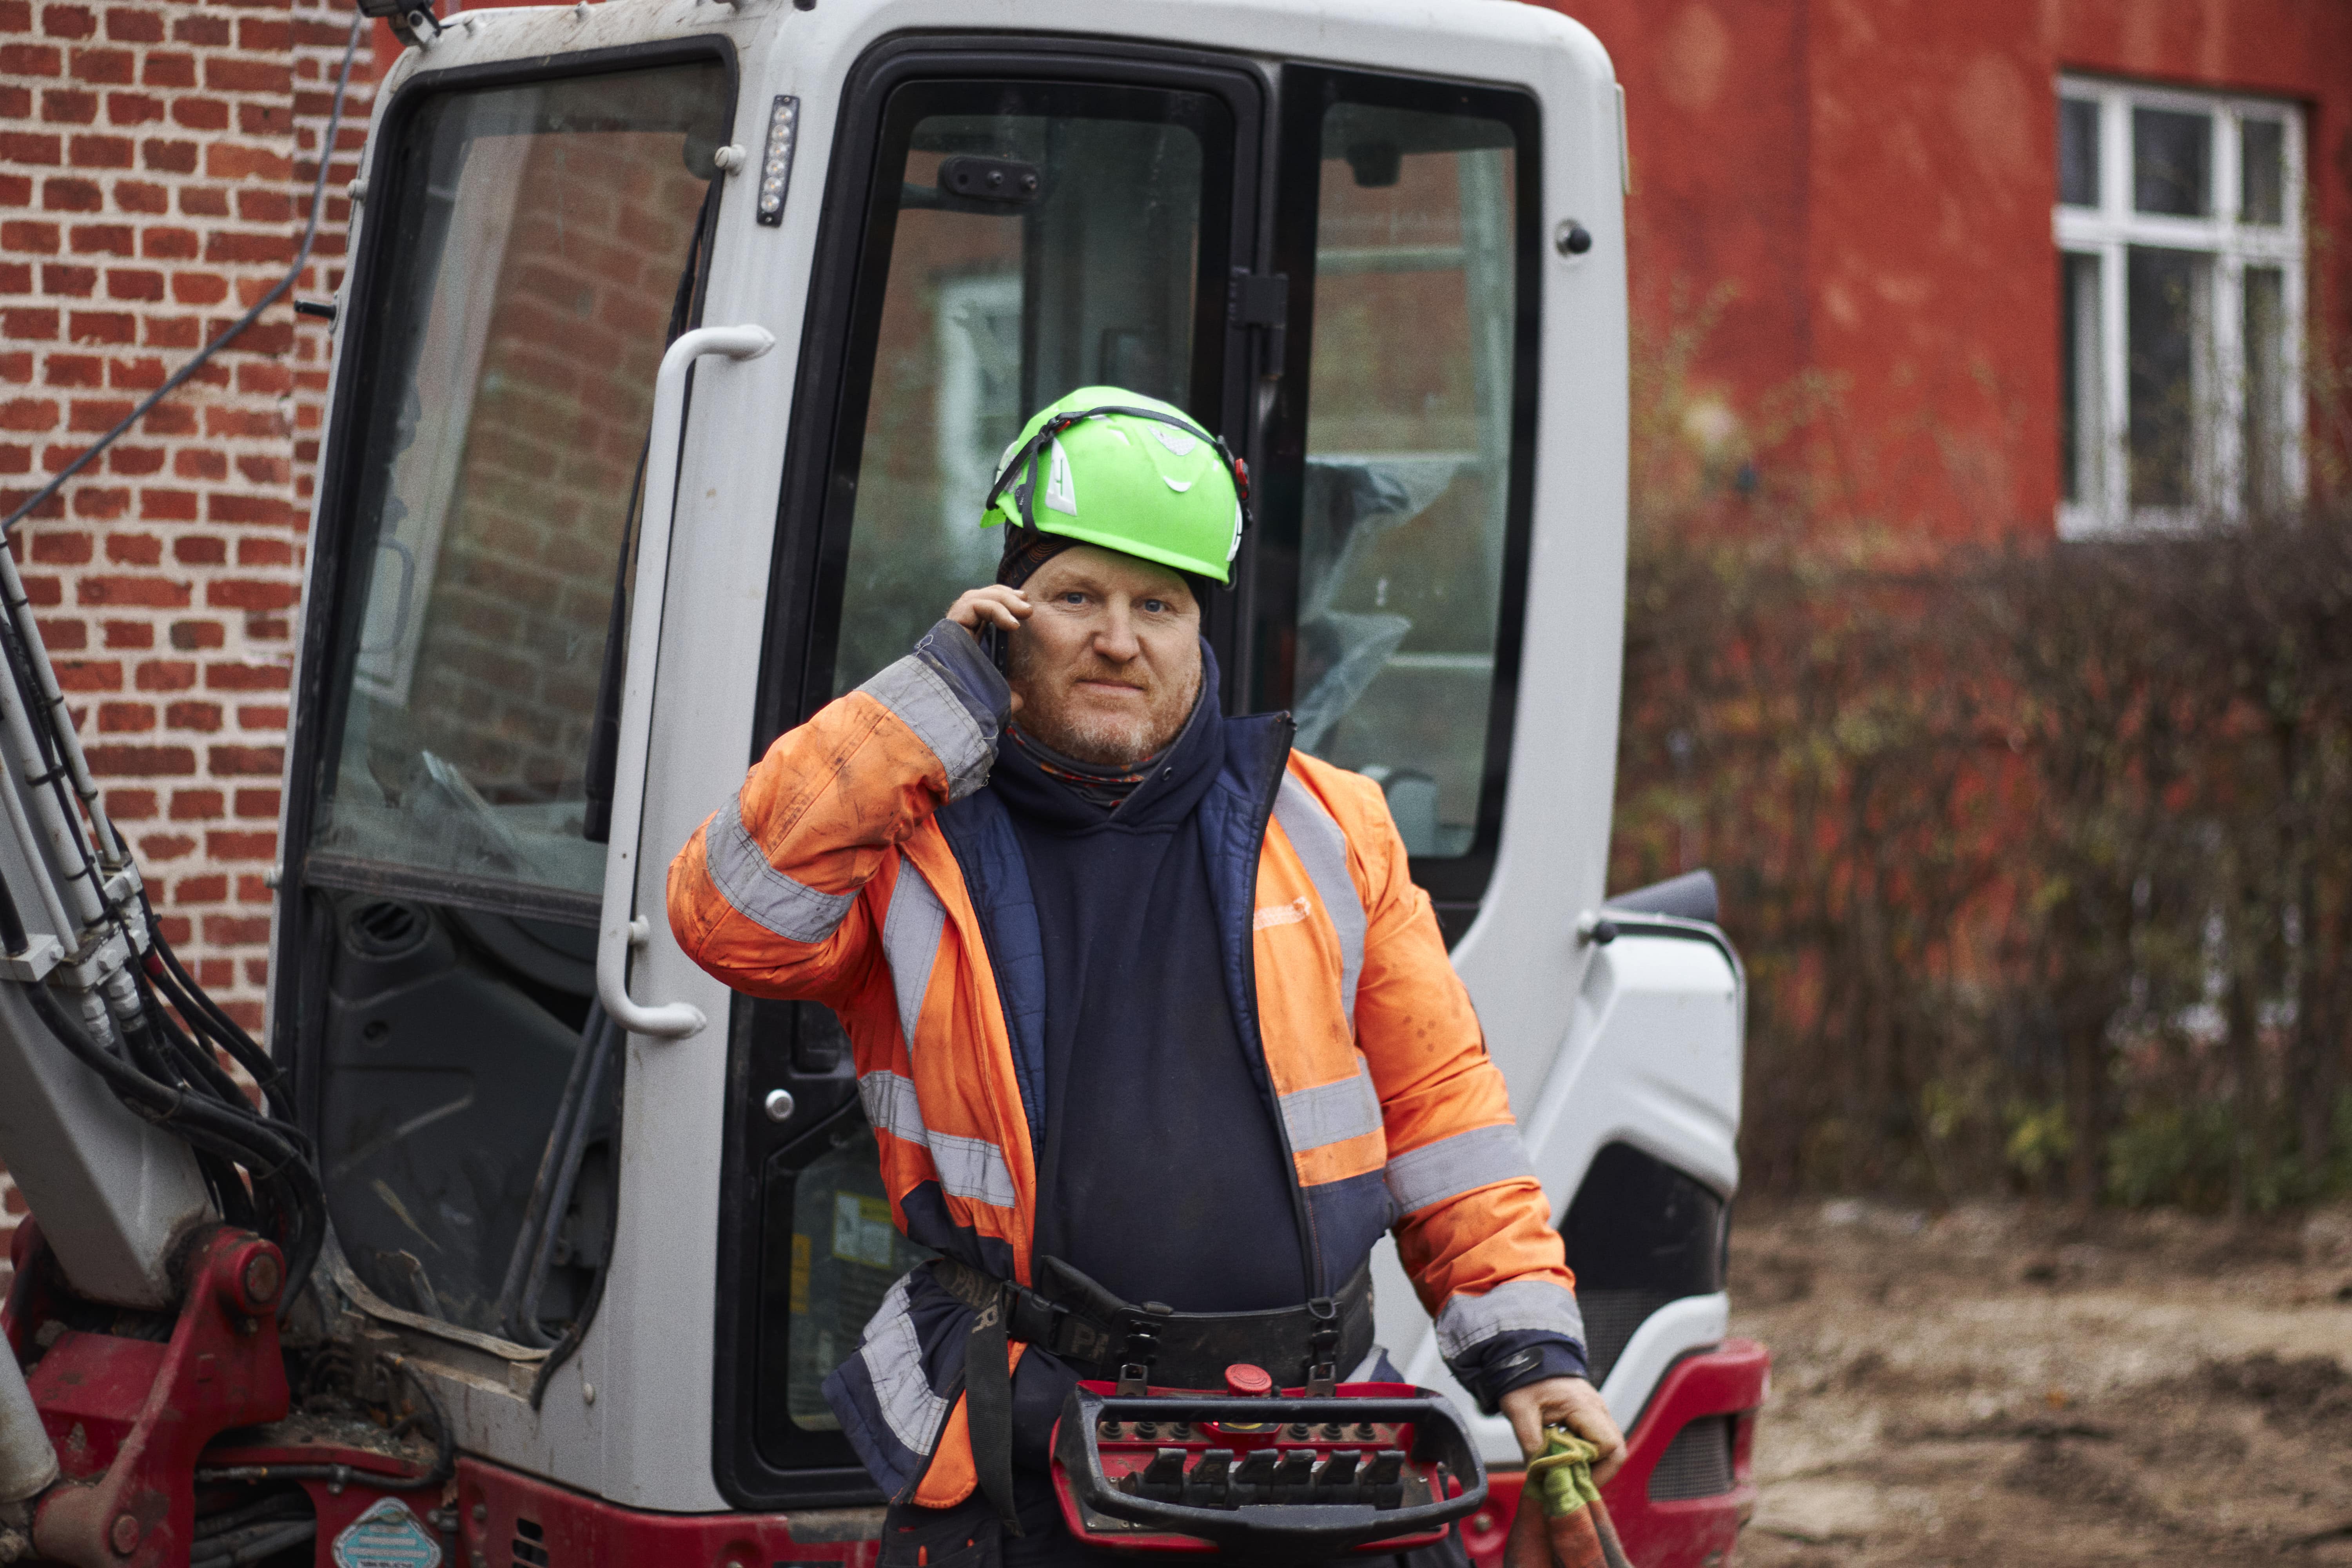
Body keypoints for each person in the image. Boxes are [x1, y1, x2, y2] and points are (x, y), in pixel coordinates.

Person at [669, 387, 1621, 1565]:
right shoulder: (912, 838)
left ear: (1198, 630)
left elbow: (1446, 1118)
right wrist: (921, 705)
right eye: (1076, 596)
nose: (1119, 638)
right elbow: (726, 920)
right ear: (1004, 615)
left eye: (1159, 605)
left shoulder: (1333, 826)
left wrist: (1530, 1354)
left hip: (1316, 1452)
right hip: (1028, 1459)